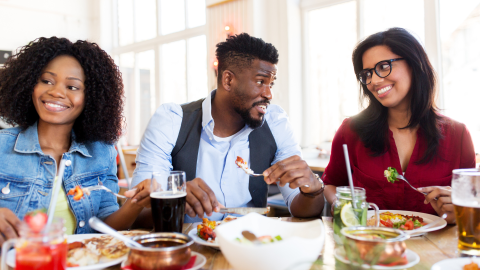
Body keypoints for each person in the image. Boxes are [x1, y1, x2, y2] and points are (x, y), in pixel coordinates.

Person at [132, 33, 325, 224]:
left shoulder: (275, 123)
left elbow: (302, 209)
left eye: (271, 84)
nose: (269, 94)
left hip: (253, 246)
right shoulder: (171, 121)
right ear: (228, 81)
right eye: (260, 82)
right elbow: (138, 214)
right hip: (190, 247)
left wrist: (313, 190)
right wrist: (174, 197)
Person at [0, 37, 150, 243]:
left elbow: (106, 224)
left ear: (91, 98)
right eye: (46, 81)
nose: (56, 92)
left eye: (72, 87)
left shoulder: (102, 152)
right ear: (29, 85)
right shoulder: (2, 147)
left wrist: (136, 202)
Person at [322, 28, 475, 224]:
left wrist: (459, 211)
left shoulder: (458, 135)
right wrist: (340, 204)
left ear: (414, 63)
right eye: (367, 74)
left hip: (436, 250)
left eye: (384, 66)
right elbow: (331, 184)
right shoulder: (351, 131)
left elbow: (471, 205)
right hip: (371, 248)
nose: (375, 81)